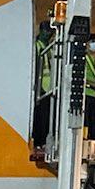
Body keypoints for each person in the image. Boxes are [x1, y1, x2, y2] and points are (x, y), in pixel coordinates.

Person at [30, 19, 54, 152]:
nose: (49, 33)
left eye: (50, 31)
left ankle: (44, 141)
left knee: (47, 117)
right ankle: (39, 142)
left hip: (49, 88)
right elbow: (36, 68)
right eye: (46, 30)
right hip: (41, 88)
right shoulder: (37, 46)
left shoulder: (50, 47)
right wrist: (36, 88)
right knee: (40, 116)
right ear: (41, 30)